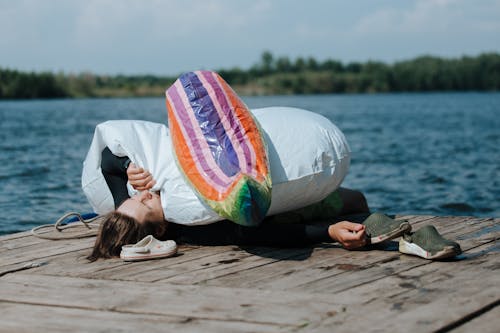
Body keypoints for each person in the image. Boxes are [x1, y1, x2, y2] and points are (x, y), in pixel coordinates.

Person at [87, 144, 375, 261]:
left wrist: (127, 167)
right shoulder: (195, 227)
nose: (145, 194)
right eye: (147, 203)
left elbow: (106, 160)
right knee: (356, 200)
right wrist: (329, 232)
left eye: (135, 197)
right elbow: (260, 235)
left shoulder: (129, 209)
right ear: (159, 232)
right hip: (281, 210)